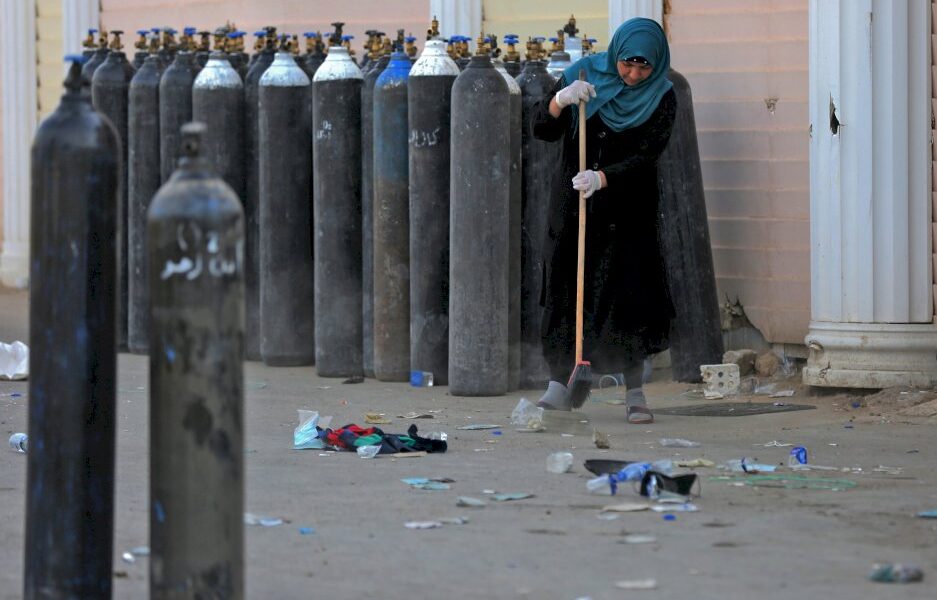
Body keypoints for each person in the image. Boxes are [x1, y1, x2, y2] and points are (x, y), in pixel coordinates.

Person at [530, 18, 677, 424]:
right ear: (616, 55)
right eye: (628, 64)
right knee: (566, 289)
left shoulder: (662, 96)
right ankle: (560, 383)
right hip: (574, 205)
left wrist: (604, 177)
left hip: (628, 211)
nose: (632, 75)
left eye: (643, 67)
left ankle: (634, 390)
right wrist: (560, 97)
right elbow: (541, 127)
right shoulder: (582, 76)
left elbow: (649, 152)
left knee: (627, 294)